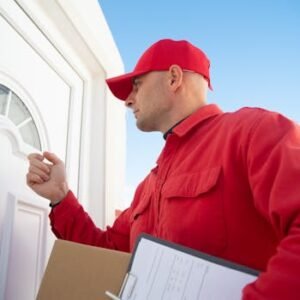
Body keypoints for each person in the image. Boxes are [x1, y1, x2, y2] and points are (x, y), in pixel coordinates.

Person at [26, 39, 300, 299]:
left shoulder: (252, 132)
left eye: (137, 85)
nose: (128, 100)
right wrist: (60, 198)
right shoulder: (148, 186)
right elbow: (108, 251)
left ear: (173, 78)